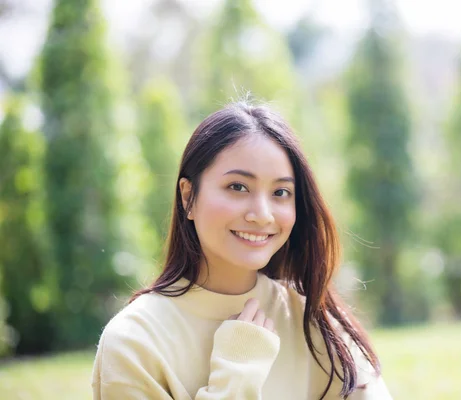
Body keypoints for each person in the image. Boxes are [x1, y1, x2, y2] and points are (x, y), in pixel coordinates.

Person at [91, 101, 393, 399]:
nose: (262, 214)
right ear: (188, 197)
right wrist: (235, 380)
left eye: (280, 192)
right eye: (238, 187)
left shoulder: (316, 320)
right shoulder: (135, 341)